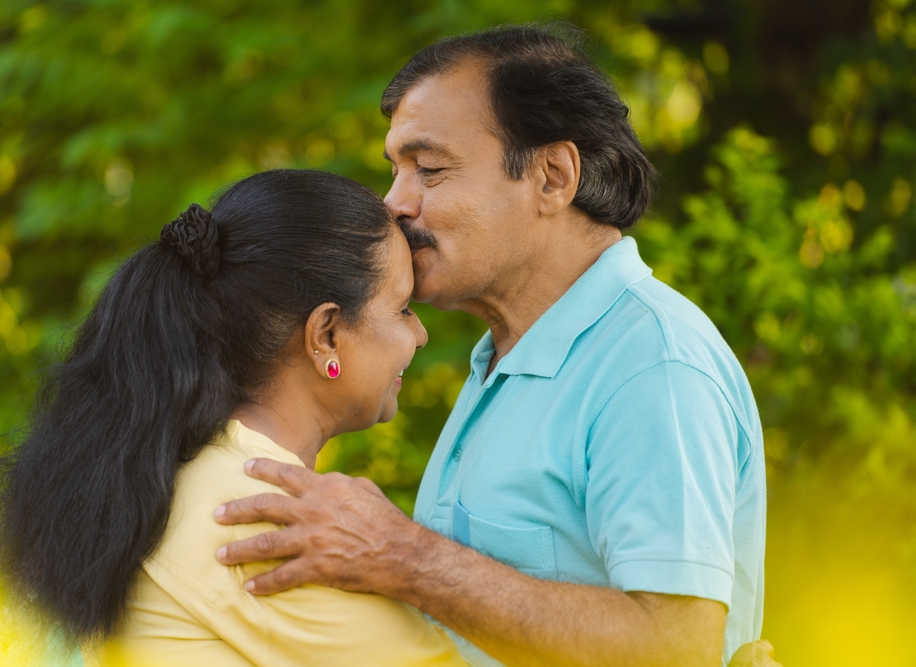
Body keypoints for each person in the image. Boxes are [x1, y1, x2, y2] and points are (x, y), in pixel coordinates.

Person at [213, 24, 782, 667]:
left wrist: (405, 556)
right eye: (395, 170)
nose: (394, 203)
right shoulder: (504, 359)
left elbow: (677, 647)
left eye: (428, 169)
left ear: (551, 177)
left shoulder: (651, 365)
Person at [0, 169, 469, 666]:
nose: (421, 336)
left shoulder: (167, 467)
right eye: (403, 309)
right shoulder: (262, 519)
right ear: (325, 334)